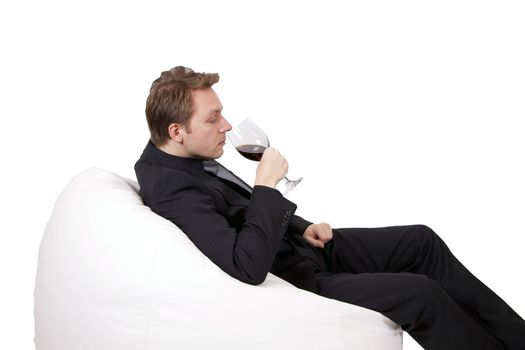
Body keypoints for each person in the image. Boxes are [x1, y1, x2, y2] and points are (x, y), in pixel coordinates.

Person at [135, 66, 525, 350]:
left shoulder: (183, 153)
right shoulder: (170, 188)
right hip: (295, 278)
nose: (227, 125)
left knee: (421, 241)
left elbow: (236, 210)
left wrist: (299, 226)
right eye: (213, 118)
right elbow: (245, 266)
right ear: (176, 131)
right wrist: (267, 185)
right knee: (419, 293)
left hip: (299, 246)